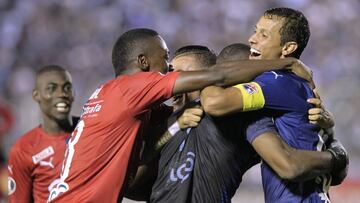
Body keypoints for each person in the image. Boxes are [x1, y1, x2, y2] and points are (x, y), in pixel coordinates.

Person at [47, 28, 312, 202]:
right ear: (143, 62)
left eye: (178, 72)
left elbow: (285, 158)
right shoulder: (133, 92)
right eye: (166, 61)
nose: (169, 73)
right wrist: (287, 63)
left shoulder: (120, 99)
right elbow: (134, 186)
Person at [150, 44, 346, 203]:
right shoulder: (168, 119)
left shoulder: (244, 117)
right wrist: (173, 127)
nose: (175, 81)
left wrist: (333, 143)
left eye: (183, 75)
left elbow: (290, 164)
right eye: (171, 73)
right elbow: (135, 177)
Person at [200, 8, 348, 202]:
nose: (252, 38)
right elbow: (337, 174)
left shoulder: (277, 81)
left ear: (288, 48)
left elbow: (214, 103)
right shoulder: (292, 81)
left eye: (264, 35)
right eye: (255, 30)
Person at [7, 65, 78, 203]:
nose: (61, 94)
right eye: (52, 88)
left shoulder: (91, 130)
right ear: (36, 95)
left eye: (67, 88)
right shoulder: (23, 149)